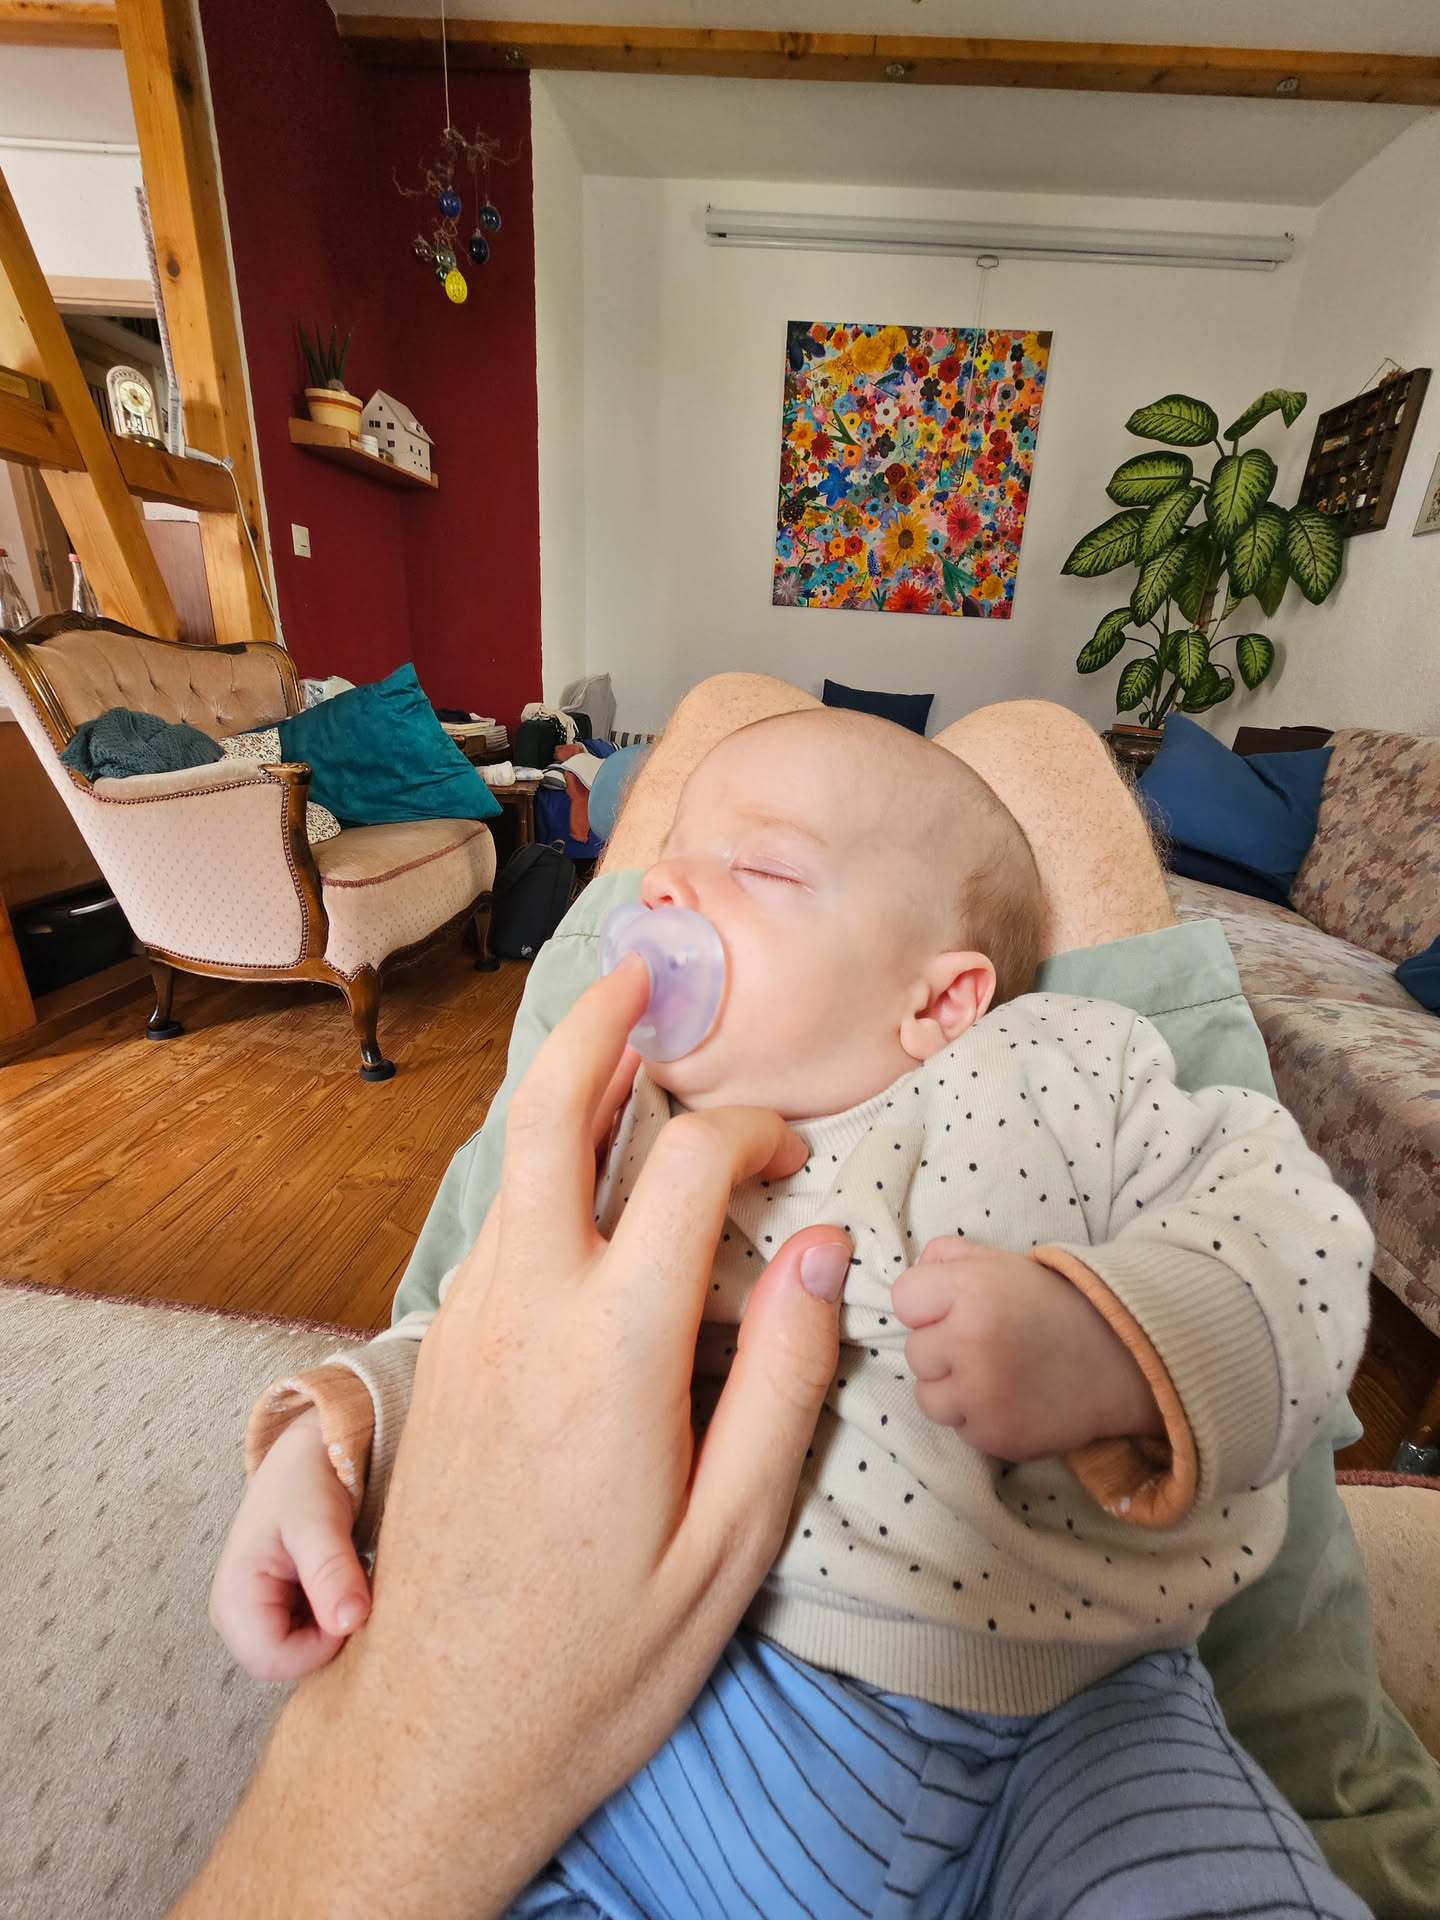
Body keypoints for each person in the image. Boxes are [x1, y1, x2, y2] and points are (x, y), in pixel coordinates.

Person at [213, 704, 1376, 1918]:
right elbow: (490, 1353)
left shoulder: (1073, 1064)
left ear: (942, 1000)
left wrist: (1112, 1345)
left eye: (760, 868)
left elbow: (1293, 1243)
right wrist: (336, 1435)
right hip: (690, 1727)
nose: (664, 890)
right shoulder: (617, 1127)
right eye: (665, 866)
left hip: (1084, 1728)